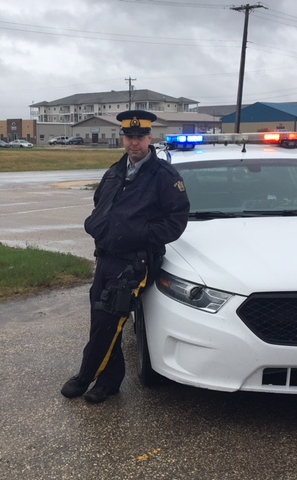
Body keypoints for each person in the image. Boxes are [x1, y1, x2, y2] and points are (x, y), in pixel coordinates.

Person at [61, 110, 190, 404]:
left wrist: (142, 234)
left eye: (140, 137)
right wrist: (95, 224)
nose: (134, 143)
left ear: (150, 138)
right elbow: (100, 203)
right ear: (123, 138)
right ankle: (109, 381)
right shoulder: (115, 170)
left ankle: (85, 377)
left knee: (108, 318)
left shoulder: (164, 176)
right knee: (102, 318)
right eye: (129, 137)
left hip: (136, 261)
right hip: (106, 256)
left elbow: (176, 219)